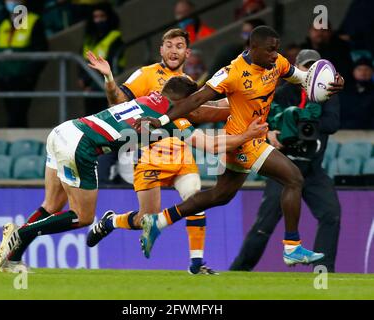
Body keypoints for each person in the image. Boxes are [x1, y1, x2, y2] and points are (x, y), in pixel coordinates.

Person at [0, 76, 269, 272]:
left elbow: (206, 111)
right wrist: (248, 134)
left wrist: (242, 102)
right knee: (83, 216)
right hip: (83, 145)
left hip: (63, 131)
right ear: (184, 101)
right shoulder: (174, 118)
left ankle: (12, 257)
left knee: (52, 205)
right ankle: (21, 232)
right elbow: (211, 144)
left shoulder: (151, 98)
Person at [134, 26, 345, 266]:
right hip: (242, 141)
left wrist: (332, 84)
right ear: (252, 48)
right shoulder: (231, 73)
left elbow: (303, 78)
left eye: (276, 49)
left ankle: (159, 221)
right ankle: (292, 246)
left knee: (219, 195)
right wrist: (161, 120)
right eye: (269, 50)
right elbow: (196, 99)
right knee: (294, 179)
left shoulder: (278, 63)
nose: (275, 55)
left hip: (249, 138)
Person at [85, 29, 220, 274]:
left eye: (179, 46)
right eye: (169, 45)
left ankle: (196, 264)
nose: (173, 50)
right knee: (144, 220)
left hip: (181, 154)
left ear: (187, 52)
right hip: (151, 156)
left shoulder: (189, 85)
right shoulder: (146, 74)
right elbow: (117, 104)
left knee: (195, 201)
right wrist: (108, 79)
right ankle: (111, 221)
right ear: (161, 49)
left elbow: (203, 112)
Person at [229, 49, 341, 272]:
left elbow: (332, 125)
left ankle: (324, 270)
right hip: (284, 169)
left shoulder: (328, 94)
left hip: (312, 169)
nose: (310, 72)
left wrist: (301, 119)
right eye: (306, 67)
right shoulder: (280, 93)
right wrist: (269, 133)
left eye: (314, 68)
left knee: (331, 215)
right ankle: (238, 271)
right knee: (264, 224)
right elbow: (258, 119)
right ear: (296, 68)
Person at [0, 0, 48, 127]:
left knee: (19, 112)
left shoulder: (33, 21)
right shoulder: (4, 23)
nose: (11, 2)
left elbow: (41, 51)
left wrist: (29, 75)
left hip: (23, 78)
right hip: (4, 77)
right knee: (10, 112)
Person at [78, 2, 124, 115]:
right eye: (95, 17)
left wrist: (92, 86)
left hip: (104, 85)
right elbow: (81, 61)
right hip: (88, 87)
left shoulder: (115, 37)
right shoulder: (89, 39)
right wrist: (82, 80)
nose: (98, 20)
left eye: (102, 16)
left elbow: (112, 65)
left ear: (109, 18)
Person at [339, 57, 374, 129]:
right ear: (353, 72)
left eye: (367, 69)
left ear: (372, 72)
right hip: (345, 132)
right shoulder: (344, 91)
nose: (363, 73)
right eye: (359, 69)